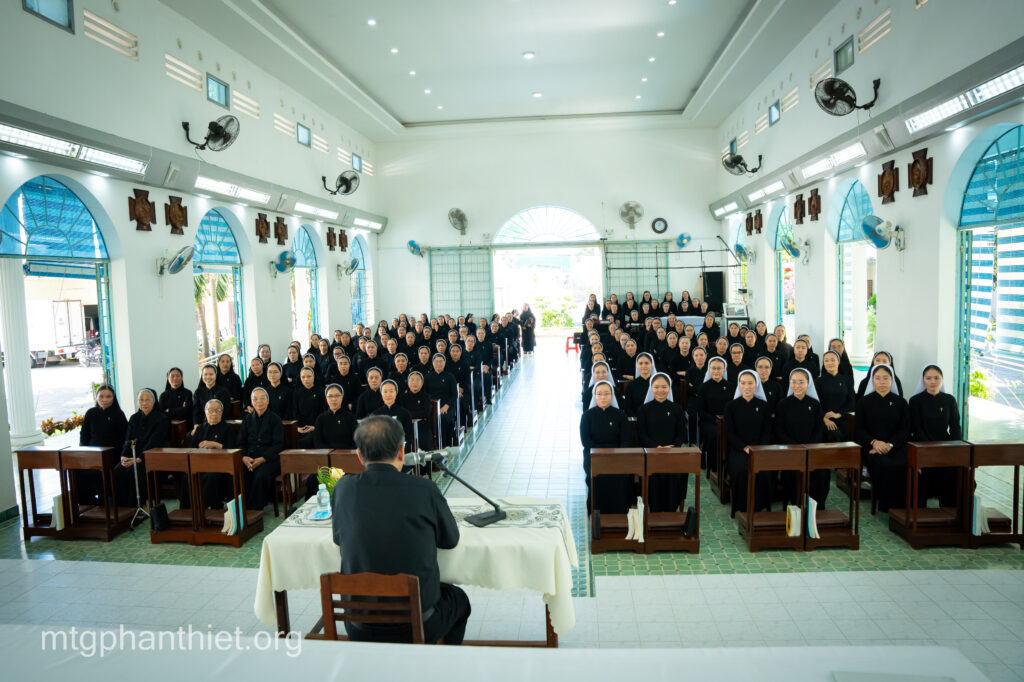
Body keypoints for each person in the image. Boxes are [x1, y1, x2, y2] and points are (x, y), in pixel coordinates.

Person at [331, 416, 469, 644]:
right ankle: (442, 659)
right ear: (402, 452)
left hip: (359, 625)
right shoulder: (424, 489)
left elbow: (338, 538)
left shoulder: (343, 488)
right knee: (458, 600)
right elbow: (450, 540)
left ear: (359, 455)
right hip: (418, 625)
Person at [855, 364, 910, 513]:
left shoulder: (901, 402)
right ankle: (888, 506)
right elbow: (859, 429)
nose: (882, 382)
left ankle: (905, 505)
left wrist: (890, 444)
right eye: (878, 378)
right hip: (871, 447)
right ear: (872, 380)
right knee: (885, 464)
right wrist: (874, 443)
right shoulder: (864, 402)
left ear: (892, 380)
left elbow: (905, 429)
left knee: (904, 464)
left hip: (896, 446)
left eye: (886, 378)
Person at [909, 364, 962, 508]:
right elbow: (916, 428)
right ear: (923, 380)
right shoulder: (915, 401)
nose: (933, 381)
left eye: (936, 378)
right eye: (928, 378)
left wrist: (955, 447)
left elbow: (955, 427)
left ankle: (950, 511)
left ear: (942, 379)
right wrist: (930, 448)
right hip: (923, 446)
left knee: (956, 473)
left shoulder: (949, 400)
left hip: (945, 446)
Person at [637, 373, 687, 513]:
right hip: (651, 454)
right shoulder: (644, 409)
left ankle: (672, 511)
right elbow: (642, 434)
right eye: (656, 387)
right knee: (653, 477)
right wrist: (656, 447)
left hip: (672, 453)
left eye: (664, 387)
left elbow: (681, 433)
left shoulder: (676, 409)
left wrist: (672, 448)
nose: (660, 390)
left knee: (675, 476)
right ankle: (655, 510)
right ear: (651, 388)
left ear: (669, 388)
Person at [724, 370, 772, 514]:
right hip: (738, 449)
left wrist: (758, 448)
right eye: (743, 383)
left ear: (756, 385)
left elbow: (767, 431)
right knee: (742, 470)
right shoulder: (731, 406)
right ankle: (741, 506)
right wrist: (744, 447)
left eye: (750, 383)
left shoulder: (763, 405)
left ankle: (759, 505)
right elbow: (729, 433)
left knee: (763, 471)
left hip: (759, 449)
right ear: (739, 385)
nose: (746, 386)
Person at [776, 369, 827, 505]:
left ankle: (816, 507)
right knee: (792, 473)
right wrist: (796, 447)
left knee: (821, 472)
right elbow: (780, 431)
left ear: (808, 384)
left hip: (811, 449)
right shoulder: (783, 404)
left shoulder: (815, 404)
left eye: (801, 382)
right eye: (793, 382)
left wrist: (808, 447)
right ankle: (796, 504)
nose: (797, 385)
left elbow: (819, 429)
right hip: (791, 450)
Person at [115, 388, 168, 508]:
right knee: (117, 471)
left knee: (133, 472)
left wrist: (139, 459)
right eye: (141, 400)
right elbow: (128, 439)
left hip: (152, 456)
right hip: (133, 456)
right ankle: (122, 508)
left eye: (147, 400)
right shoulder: (134, 418)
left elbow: (154, 442)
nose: (144, 403)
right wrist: (124, 456)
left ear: (153, 401)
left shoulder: (161, 418)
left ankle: (136, 506)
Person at [78, 384, 128, 504]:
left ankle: (105, 501)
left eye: (108, 396)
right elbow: (84, 436)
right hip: (92, 455)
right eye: (101, 396)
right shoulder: (91, 413)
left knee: (105, 472)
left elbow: (124, 438)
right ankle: (88, 504)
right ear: (96, 397)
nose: (104, 399)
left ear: (113, 398)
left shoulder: (118, 414)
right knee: (77, 471)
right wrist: (84, 453)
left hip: (112, 455)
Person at [238, 387, 284, 511]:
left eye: (262, 398)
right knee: (240, 473)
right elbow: (241, 442)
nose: (259, 401)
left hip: (269, 459)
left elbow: (278, 445)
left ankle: (255, 509)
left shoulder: (275, 419)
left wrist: (263, 458)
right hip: (250, 458)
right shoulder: (247, 419)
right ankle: (241, 506)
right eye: (255, 399)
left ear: (267, 401)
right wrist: (244, 457)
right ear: (251, 402)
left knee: (260, 475)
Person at [189, 399, 237, 508]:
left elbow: (232, 449)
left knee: (211, 476)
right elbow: (192, 449)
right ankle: (191, 508)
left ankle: (212, 507)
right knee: (188, 475)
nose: (214, 413)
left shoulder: (228, 428)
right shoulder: (200, 428)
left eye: (217, 410)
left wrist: (216, 445)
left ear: (222, 412)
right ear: (205, 411)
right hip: (202, 463)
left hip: (221, 464)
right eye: (210, 410)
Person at [694, 357, 732, 472]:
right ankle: (715, 465)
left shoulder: (731, 386)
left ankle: (729, 463)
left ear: (724, 369)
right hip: (709, 421)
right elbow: (700, 411)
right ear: (709, 370)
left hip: (727, 421)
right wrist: (715, 419)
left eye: (719, 368)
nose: (716, 371)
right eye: (713, 368)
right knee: (715, 434)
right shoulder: (703, 387)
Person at [816, 350, 855, 443]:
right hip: (825, 420)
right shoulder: (818, 381)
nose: (830, 363)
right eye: (826, 360)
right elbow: (815, 404)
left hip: (843, 418)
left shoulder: (846, 380)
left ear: (838, 361)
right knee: (834, 434)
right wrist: (824, 419)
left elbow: (852, 403)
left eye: (832, 360)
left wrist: (838, 414)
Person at [373, 379, 417, 453]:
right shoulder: (375, 415)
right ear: (381, 393)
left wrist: (401, 450)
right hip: (381, 453)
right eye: (385, 391)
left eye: (391, 391)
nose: (388, 395)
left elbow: (409, 437)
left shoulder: (405, 413)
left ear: (396, 393)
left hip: (400, 451)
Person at [424, 354, 458, 446]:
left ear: (444, 363)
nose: (438, 364)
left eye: (441, 361)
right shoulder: (427, 377)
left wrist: (446, 406)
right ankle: (430, 445)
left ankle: (444, 445)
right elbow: (425, 394)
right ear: (432, 363)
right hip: (431, 407)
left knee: (442, 419)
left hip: (446, 406)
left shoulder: (450, 376)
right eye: (436, 362)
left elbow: (454, 395)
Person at [293, 367, 326, 448]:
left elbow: (323, 411)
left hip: (317, 428)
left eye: (309, 376)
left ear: (314, 377)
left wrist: (315, 427)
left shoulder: (321, 391)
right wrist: (298, 427)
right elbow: (295, 411)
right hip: (301, 428)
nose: (306, 379)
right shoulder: (297, 393)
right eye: (303, 377)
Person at [193, 364, 232, 432]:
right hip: (202, 424)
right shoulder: (198, 392)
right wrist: (196, 424)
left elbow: (224, 411)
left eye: (211, 374)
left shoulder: (223, 391)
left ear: (216, 375)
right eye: (205, 374)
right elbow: (196, 411)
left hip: (219, 423)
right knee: (190, 436)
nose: (208, 377)